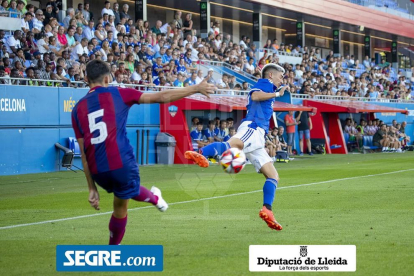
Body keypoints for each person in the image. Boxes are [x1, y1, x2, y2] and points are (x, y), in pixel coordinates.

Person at [71, 59, 215, 245]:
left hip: (97, 170)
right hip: (121, 162)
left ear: (85, 79)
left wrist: (92, 188)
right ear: (107, 79)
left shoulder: (77, 109)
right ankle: (154, 199)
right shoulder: (119, 93)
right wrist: (194, 88)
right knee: (122, 204)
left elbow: (83, 153)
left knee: (121, 201)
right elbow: (161, 97)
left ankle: (114, 250)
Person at [185, 63, 288, 231]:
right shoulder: (265, 83)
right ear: (270, 75)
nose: (281, 79)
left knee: (273, 175)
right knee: (232, 145)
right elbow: (255, 96)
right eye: (280, 76)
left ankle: (267, 210)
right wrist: (277, 93)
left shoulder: (269, 88)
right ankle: (200, 153)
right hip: (253, 127)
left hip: (259, 136)